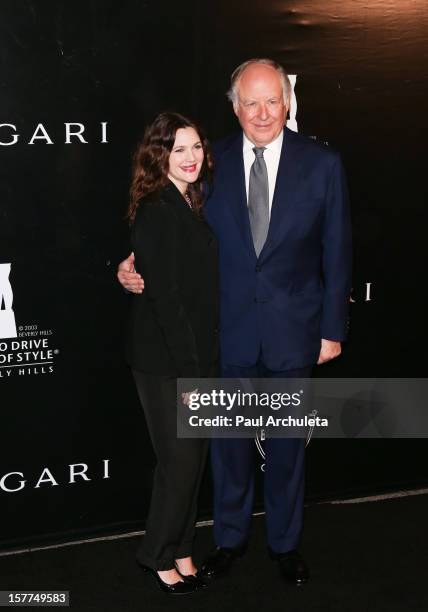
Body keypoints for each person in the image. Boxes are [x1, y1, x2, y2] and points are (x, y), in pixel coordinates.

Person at [118, 59, 352, 586]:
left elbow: (337, 252)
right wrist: (130, 266)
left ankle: (285, 544)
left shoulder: (322, 163)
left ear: (287, 103)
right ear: (235, 106)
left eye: (272, 100)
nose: (262, 112)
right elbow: (171, 231)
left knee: (288, 449)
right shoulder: (209, 161)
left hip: (295, 332)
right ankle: (228, 539)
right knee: (228, 448)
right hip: (225, 333)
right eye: (251, 102)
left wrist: (332, 330)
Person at [125, 112, 218, 594]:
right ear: (157, 156)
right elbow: (164, 299)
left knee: (193, 461)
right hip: (167, 362)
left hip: (194, 356)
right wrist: (192, 374)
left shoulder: (190, 202)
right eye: (177, 149)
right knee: (179, 463)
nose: (190, 158)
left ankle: (182, 549)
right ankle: (157, 554)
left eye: (196, 147)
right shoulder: (158, 209)